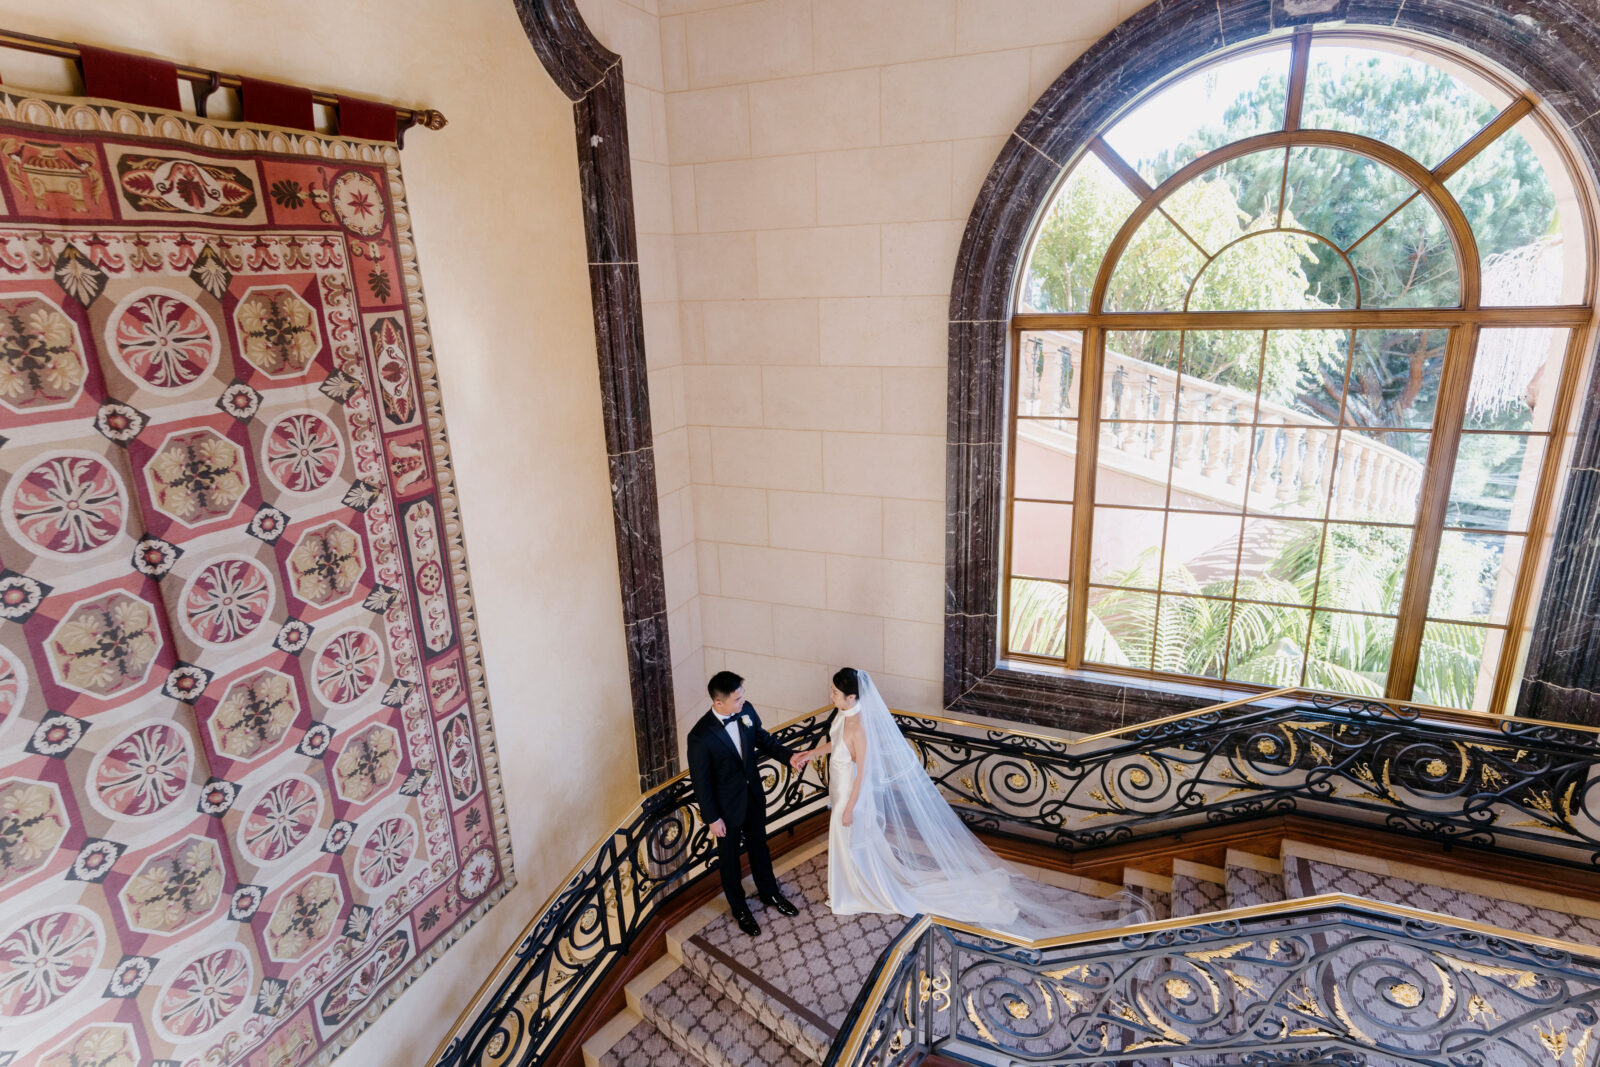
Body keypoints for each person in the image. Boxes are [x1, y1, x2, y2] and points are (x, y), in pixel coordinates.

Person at [794, 668, 1138, 939]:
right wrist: (812, 752)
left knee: (849, 840)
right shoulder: (842, 718)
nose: (830, 696)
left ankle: (853, 892)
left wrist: (851, 806)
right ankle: (853, 886)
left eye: (834, 693)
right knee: (852, 845)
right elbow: (835, 743)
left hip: (852, 796)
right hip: (839, 790)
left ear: (851, 696)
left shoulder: (860, 726)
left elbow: (865, 771)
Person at [686, 670, 805, 936]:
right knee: (729, 861)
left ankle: (769, 893)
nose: (743, 701)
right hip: (725, 810)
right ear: (719, 703)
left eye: (742, 696)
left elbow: (762, 738)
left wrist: (790, 757)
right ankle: (739, 908)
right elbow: (701, 782)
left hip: (753, 797)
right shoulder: (700, 737)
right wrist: (712, 818)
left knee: (759, 846)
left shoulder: (746, 711)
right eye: (737, 698)